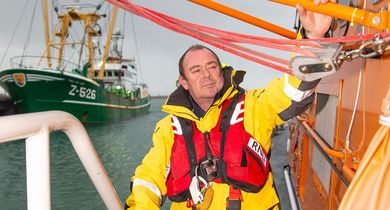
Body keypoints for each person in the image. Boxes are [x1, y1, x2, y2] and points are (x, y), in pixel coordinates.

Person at [125, 0, 335, 209]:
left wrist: (314, 39)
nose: (206, 74)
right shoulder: (167, 130)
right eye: (196, 70)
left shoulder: (254, 106)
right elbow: (148, 180)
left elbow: (293, 92)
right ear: (184, 82)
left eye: (211, 66)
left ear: (221, 72)